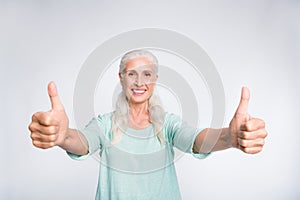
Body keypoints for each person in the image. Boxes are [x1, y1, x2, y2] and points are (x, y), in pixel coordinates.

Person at [28, 49, 268, 200]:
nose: (139, 82)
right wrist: (61, 138)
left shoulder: (168, 124)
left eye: (147, 74)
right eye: (131, 74)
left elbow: (196, 140)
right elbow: (82, 142)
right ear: (121, 78)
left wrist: (229, 138)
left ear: (155, 79)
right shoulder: (104, 124)